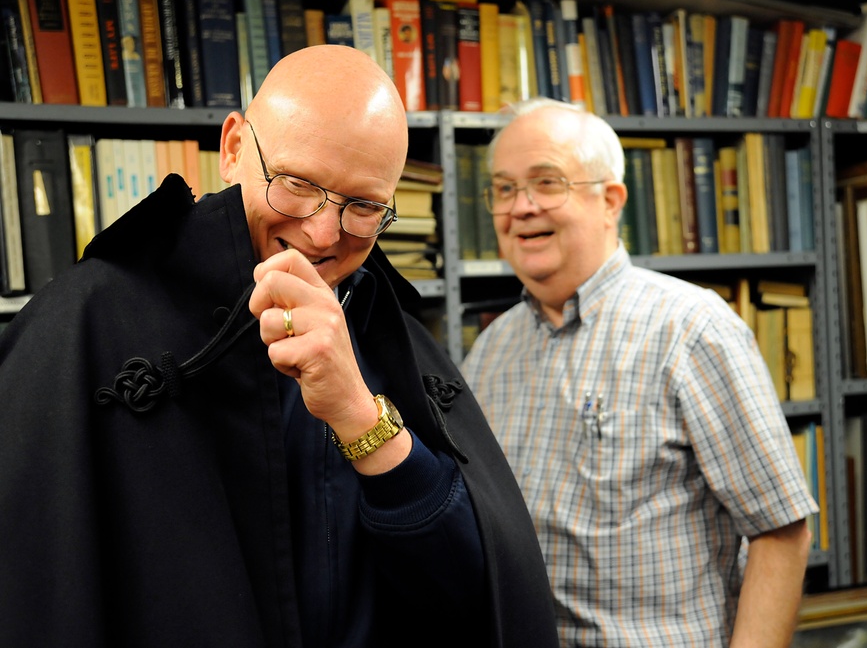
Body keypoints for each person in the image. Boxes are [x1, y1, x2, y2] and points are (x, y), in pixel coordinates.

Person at [0, 46, 559, 648]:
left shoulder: (390, 331)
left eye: (365, 206)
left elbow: (471, 598)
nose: (323, 235)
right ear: (234, 149)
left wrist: (359, 416)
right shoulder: (87, 322)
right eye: (295, 183)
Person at [461, 97, 818, 647]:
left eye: (546, 182)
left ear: (611, 200)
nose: (521, 207)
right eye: (504, 189)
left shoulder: (692, 331)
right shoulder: (488, 352)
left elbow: (781, 530)